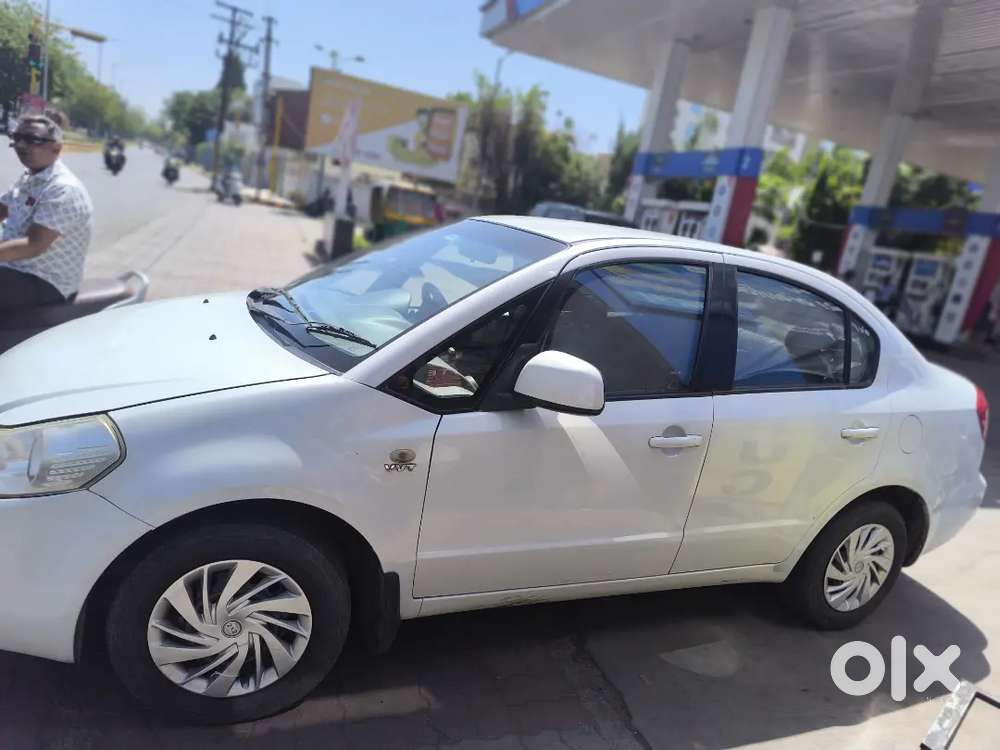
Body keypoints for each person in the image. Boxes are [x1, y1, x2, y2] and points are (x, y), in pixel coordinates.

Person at [0, 111, 93, 310]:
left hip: (44, 280)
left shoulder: (63, 189)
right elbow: (3, 208)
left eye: (33, 140)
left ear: (56, 148)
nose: (21, 146)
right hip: (15, 267)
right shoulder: (30, 178)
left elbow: (33, 244)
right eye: (17, 138)